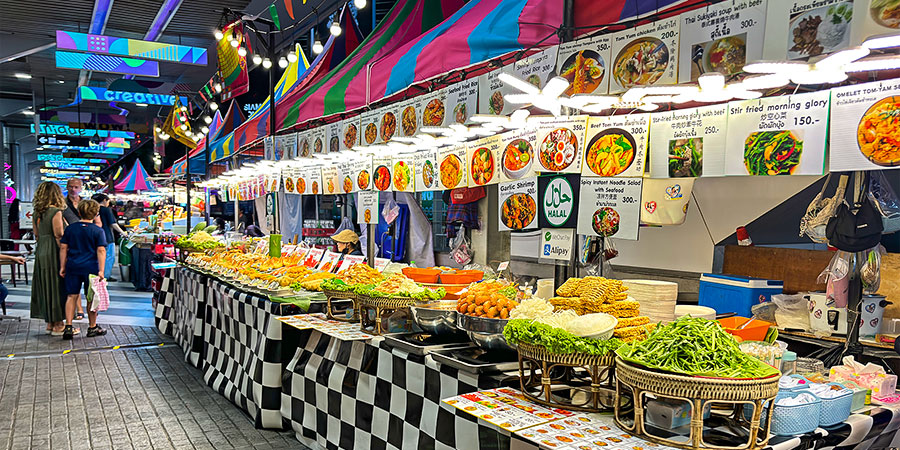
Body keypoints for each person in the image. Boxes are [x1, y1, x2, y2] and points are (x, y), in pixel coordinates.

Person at [59, 199, 108, 340]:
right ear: (96, 214)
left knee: (71, 296)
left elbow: (63, 248)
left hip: (73, 266)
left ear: (79, 212)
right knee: (91, 298)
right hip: (91, 268)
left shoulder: (71, 228)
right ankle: (92, 327)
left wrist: (62, 266)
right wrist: (101, 271)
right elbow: (101, 250)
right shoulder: (98, 231)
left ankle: (68, 326)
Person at [30, 182, 68, 335]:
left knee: (45, 285)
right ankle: (59, 324)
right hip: (54, 250)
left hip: (41, 250)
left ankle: (50, 323)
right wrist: (65, 256)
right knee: (56, 285)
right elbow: (59, 235)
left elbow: (37, 234)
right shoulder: (56, 212)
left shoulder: (36, 213)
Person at [92, 193, 125, 282]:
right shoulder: (106, 210)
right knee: (109, 257)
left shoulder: (92, 209)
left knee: (97, 257)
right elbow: (113, 223)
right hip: (107, 236)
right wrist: (123, 233)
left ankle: (97, 274)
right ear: (104, 200)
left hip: (94, 236)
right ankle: (105, 276)